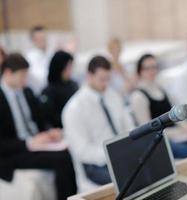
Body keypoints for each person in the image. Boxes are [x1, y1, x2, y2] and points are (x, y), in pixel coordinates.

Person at [0, 53, 77, 200]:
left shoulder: (27, 92)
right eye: (22, 76)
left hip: (38, 144)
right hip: (16, 151)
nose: (25, 80)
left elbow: (40, 120)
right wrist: (30, 142)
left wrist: (49, 133)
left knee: (69, 151)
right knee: (62, 160)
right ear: (8, 73)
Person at [62, 55, 134, 186]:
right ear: (89, 76)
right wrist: (113, 154)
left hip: (122, 155)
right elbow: (81, 150)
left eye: (108, 79)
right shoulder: (74, 108)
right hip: (95, 164)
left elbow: (129, 126)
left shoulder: (113, 95)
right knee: (127, 182)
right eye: (102, 79)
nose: (106, 84)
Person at [130, 54, 187, 158]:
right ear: (140, 71)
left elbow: (176, 114)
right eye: (147, 68)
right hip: (162, 139)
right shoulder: (138, 96)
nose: (152, 71)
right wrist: (181, 131)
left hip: (179, 135)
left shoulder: (162, 89)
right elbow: (149, 132)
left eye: (154, 67)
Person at [41, 50, 78, 128]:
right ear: (60, 68)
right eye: (68, 67)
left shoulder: (73, 85)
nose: (71, 71)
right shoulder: (49, 91)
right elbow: (48, 118)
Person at [25, 25, 54, 94]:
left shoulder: (51, 53)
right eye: (39, 38)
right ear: (33, 40)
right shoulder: (30, 58)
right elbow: (39, 78)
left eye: (44, 38)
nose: (43, 41)